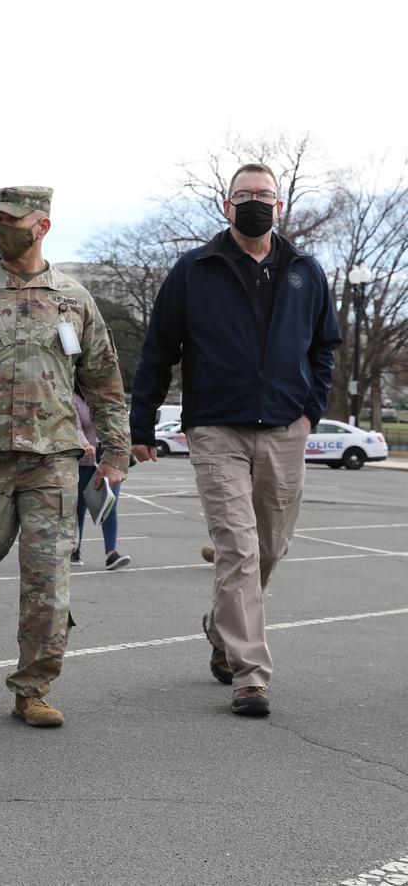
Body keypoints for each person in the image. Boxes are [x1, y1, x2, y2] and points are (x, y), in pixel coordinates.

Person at [0, 186, 131, 728]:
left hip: (53, 459)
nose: (2, 226)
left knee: (49, 581)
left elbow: (104, 381)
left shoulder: (75, 300)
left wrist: (115, 452)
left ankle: (32, 687)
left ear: (43, 226)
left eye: (13, 219)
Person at [129, 163, 341, 717]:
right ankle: (251, 675)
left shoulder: (306, 272)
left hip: (284, 427)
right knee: (239, 547)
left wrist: (310, 412)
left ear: (280, 207)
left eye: (263, 195)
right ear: (226, 206)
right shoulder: (194, 269)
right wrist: (141, 424)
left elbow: (325, 349)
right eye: (243, 195)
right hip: (216, 425)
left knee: (270, 546)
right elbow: (158, 350)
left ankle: (222, 629)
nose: (254, 202)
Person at [70, 392, 129, 570]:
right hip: (84, 463)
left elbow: (120, 424)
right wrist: (84, 443)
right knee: (79, 508)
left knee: (110, 505)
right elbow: (75, 425)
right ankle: (74, 549)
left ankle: (111, 554)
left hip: (108, 462)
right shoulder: (73, 398)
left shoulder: (108, 396)